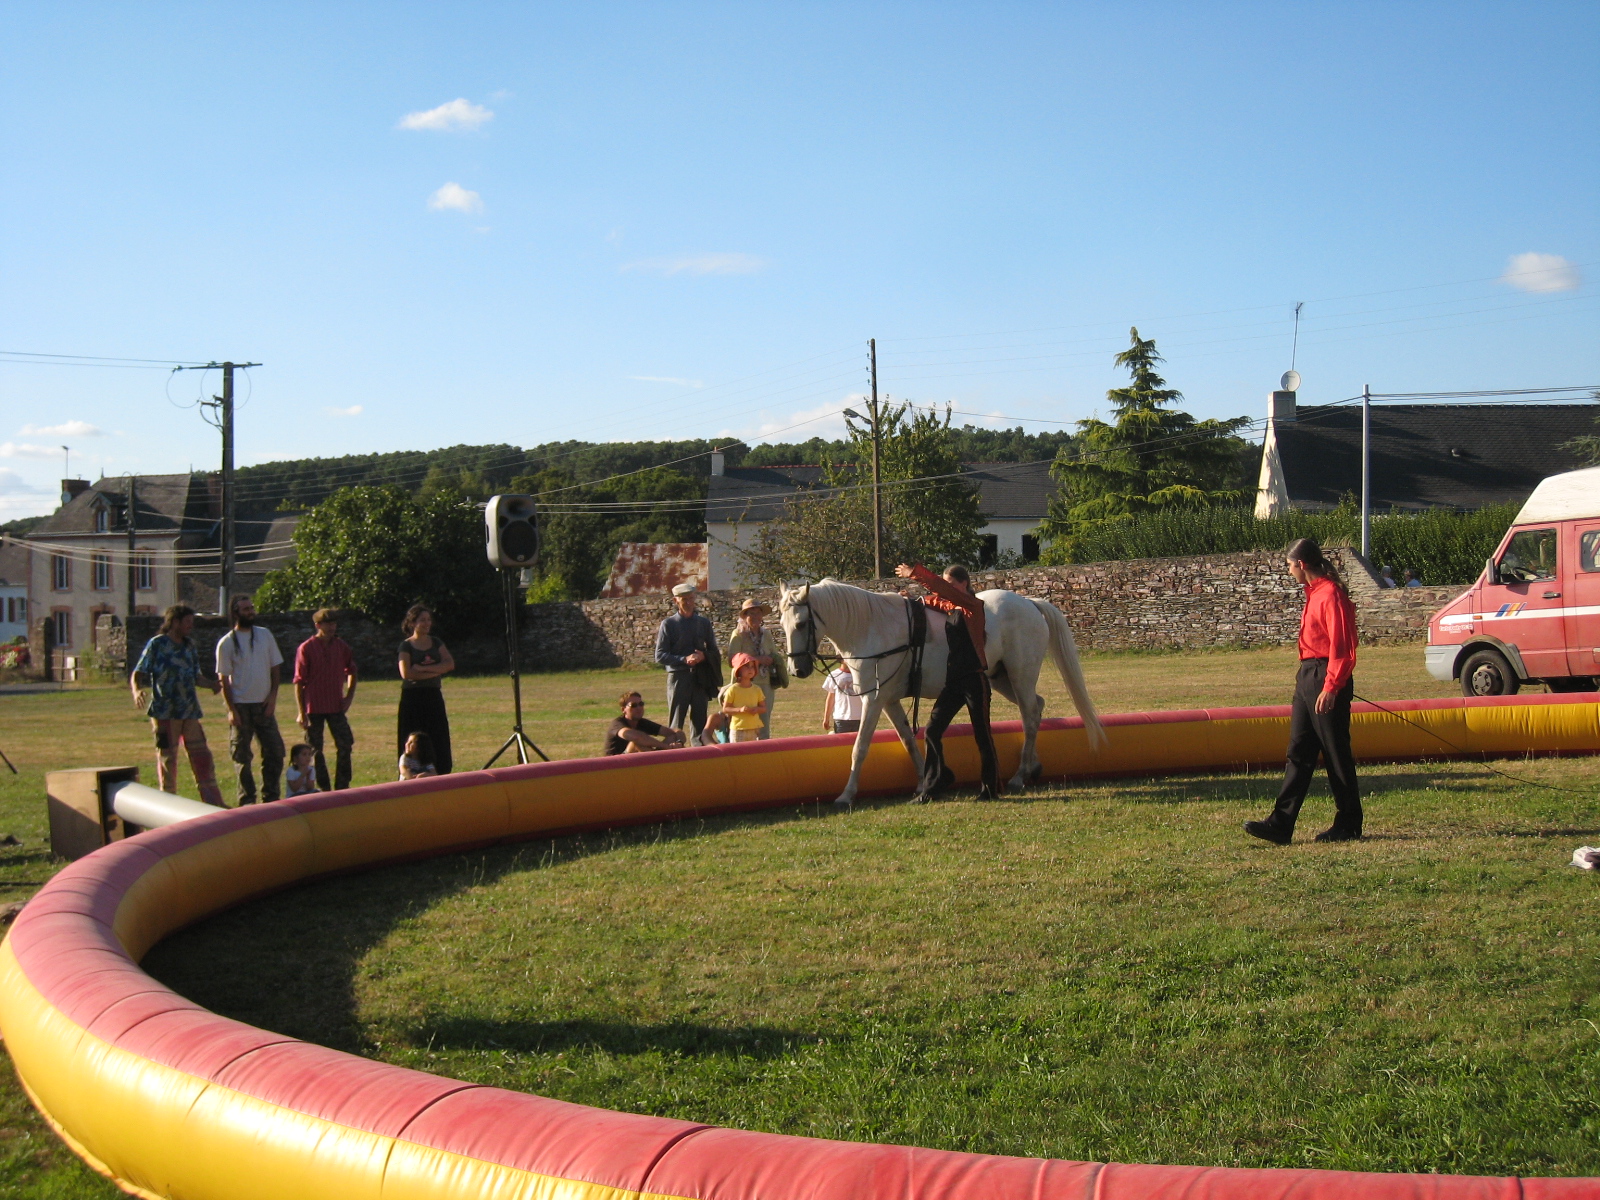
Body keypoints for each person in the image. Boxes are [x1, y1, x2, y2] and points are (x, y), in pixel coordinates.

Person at [1244, 538, 1363, 845]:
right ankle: (1280, 824)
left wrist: (1332, 686)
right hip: (1307, 674)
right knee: (1298, 751)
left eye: (1289, 565)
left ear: (1301, 564)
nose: (1288, 571)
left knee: (1335, 752)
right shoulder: (1313, 593)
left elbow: (1342, 646)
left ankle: (1349, 822)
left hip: (1325, 674)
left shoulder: (1331, 594)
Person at [894, 562, 1000, 802]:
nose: (945, 587)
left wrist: (915, 574)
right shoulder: (951, 606)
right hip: (954, 681)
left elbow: (941, 591)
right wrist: (914, 600)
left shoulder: (973, 605)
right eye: (945, 583)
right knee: (932, 730)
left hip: (974, 680)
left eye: (950, 583)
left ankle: (990, 789)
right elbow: (935, 600)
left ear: (963, 583)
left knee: (982, 735)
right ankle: (935, 785)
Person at [130, 604, 225, 806]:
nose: (191, 626)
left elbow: (196, 676)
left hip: (189, 711)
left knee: (202, 757)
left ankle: (213, 803)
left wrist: (212, 685)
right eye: (187, 622)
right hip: (164, 712)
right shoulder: (157, 644)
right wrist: (137, 690)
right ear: (174, 622)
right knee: (168, 760)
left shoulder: (189, 646)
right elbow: (138, 672)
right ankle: (168, 804)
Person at [215, 594, 286, 805]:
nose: (251, 612)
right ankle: (247, 800)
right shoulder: (227, 643)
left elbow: (275, 668)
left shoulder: (265, 635)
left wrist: (272, 698)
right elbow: (223, 679)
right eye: (246, 609)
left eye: (251, 608)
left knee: (275, 752)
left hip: (264, 704)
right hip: (240, 706)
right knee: (242, 757)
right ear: (235, 613)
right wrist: (231, 709)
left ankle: (271, 797)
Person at [293, 609, 358, 791]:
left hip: (336, 706)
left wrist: (349, 697)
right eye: (327, 624)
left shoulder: (341, 646)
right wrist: (301, 712)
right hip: (313, 706)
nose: (331, 627)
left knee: (345, 744)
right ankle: (323, 788)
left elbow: (352, 671)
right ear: (318, 625)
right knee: (314, 750)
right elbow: (299, 681)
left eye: (334, 624)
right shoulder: (306, 648)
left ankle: (342, 786)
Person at [654, 582, 721, 745]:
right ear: (676, 600)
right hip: (678, 677)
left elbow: (714, 651)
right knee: (676, 722)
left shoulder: (703, 623)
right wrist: (684, 659)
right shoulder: (669, 624)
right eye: (684, 599)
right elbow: (660, 655)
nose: (689, 602)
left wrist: (703, 656)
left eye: (691, 598)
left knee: (700, 721)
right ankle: (674, 752)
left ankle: (699, 754)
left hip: (700, 678)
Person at [397, 604, 454, 775]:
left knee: (438, 735)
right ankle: (410, 772)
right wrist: (437, 670)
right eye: (422, 620)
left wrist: (423, 669)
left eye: (428, 620)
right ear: (412, 623)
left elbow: (449, 664)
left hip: (433, 695)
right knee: (412, 737)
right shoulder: (406, 646)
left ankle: (440, 771)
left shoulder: (436, 642)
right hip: (412, 698)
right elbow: (407, 673)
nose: (427, 623)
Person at [723, 597, 788, 739]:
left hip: (765, 683)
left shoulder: (766, 634)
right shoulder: (738, 634)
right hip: (744, 685)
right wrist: (757, 660)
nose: (755, 617)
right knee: (744, 720)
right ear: (744, 616)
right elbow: (732, 659)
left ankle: (763, 750)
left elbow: (773, 653)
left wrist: (773, 660)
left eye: (758, 613)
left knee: (763, 723)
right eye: (751, 613)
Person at [604, 691, 686, 755]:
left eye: (641, 704)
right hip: (615, 765)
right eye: (633, 705)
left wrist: (679, 742)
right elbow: (636, 737)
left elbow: (676, 732)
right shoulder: (617, 724)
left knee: (672, 737)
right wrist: (665, 747)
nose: (639, 708)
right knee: (636, 744)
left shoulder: (642, 722)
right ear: (623, 710)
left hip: (636, 762)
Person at [720, 653, 767, 743]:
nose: (750, 669)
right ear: (738, 670)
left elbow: (763, 708)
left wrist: (756, 709)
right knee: (737, 751)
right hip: (738, 729)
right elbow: (725, 709)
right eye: (746, 666)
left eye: (752, 666)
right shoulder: (733, 689)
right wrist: (740, 710)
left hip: (754, 728)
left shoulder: (757, 689)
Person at [822, 657, 864, 735]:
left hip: (860, 717)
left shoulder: (861, 674)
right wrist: (826, 718)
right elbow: (830, 698)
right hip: (841, 718)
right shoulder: (834, 675)